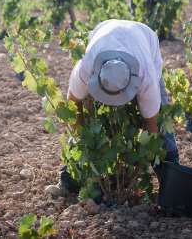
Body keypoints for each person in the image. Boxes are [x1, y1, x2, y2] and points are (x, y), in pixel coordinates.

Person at [57, 19, 179, 194]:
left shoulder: (146, 78)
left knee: (162, 122)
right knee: (88, 121)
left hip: (144, 38)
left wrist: (143, 158)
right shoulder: (87, 66)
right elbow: (72, 103)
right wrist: (82, 140)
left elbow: (152, 125)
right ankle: (71, 176)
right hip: (105, 30)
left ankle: (171, 177)